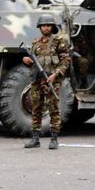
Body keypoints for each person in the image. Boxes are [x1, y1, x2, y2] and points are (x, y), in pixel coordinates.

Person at [23, 14, 70, 150]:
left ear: (52, 27)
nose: (46, 28)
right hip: (37, 80)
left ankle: (54, 138)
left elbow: (66, 61)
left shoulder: (58, 41)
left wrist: (55, 75)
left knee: (53, 109)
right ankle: (35, 139)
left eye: (48, 25)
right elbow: (34, 62)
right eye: (43, 25)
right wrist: (27, 61)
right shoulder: (35, 43)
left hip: (51, 80)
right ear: (40, 27)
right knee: (36, 108)